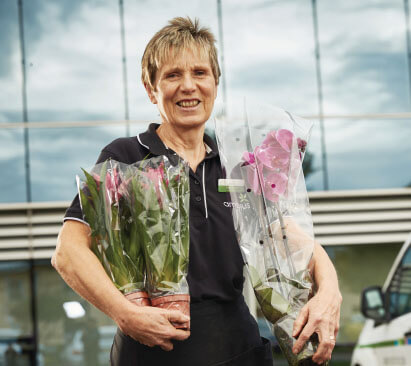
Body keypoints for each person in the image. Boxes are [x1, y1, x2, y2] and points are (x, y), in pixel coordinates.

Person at [52, 17, 342, 365]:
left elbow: (293, 240)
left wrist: (329, 292)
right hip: (152, 353)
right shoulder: (125, 157)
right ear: (151, 89)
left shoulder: (238, 167)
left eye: (200, 73)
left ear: (215, 84)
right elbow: (68, 252)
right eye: (173, 75)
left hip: (239, 351)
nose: (188, 86)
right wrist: (124, 314)